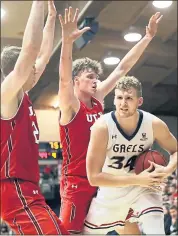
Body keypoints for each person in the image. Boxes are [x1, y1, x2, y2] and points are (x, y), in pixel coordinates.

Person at [58, 6, 163, 234]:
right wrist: (66, 42)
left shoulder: (97, 99)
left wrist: (147, 37)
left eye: (97, 77)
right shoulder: (69, 105)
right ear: (77, 80)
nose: (96, 81)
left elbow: (122, 68)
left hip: (105, 176)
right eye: (90, 77)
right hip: (77, 182)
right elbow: (64, 78)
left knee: (129, 223)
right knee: (71, 233)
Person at [0, 1, 68, 235]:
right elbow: (30, 50)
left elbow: (43, 53)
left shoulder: (23, 95)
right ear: (18, 71)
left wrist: (50, 20)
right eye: (32, 68)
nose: (36, 71)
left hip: (27, 188)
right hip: (12, 187)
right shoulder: (6, 98)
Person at [83, 76, 177, 235]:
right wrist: (139, 178)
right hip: (111, 191)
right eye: (119, 97)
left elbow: (175, 150)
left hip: (143, 188)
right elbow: (93, 177)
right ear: (113, 100)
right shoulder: (102, 127)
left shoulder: (153, 124)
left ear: (139, 101)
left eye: (129, 98)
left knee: (155, 226)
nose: (123, 103)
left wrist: (167, 170)